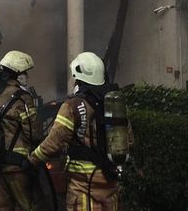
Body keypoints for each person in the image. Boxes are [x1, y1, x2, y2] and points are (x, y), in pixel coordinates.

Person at [29, 52, 126, 211]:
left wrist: (31, 160)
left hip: (83, 183)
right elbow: (128, 140)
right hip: (109, 178)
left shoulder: (73, 105)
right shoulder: (113, 105)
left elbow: (55, 141)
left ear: (79, 78)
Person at [0, 50, 41, 211]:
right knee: (26, 206)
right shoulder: (23, 98)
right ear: (16, 74)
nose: (26, 76)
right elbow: (33, 133)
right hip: (16, 166)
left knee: (1, 207)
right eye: (24, 73)